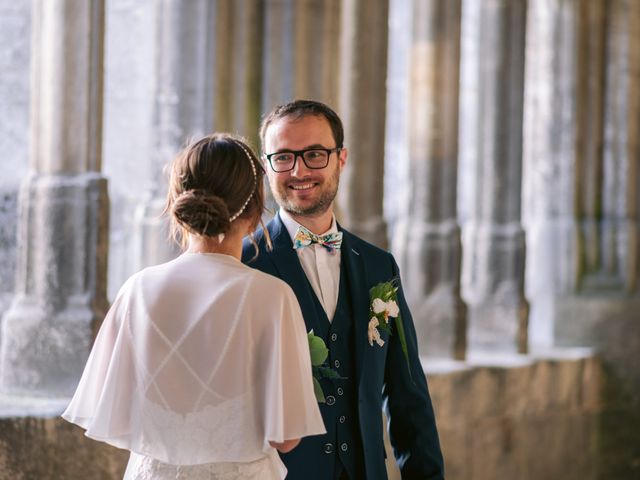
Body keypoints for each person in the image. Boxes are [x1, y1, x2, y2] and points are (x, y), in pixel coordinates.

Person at [63, 133, 326, 479]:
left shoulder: (137, 290)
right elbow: (286, 438)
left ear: (177, 204)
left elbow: (114, 412)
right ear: (254, 211)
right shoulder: (272, 297)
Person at [242, 100, 445, 479]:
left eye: (315, 154)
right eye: (283, 157)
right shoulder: (244, 264)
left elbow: (408, 396)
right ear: (266, 166)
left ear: (341, 158)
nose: (299, 171)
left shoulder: (378, 266)